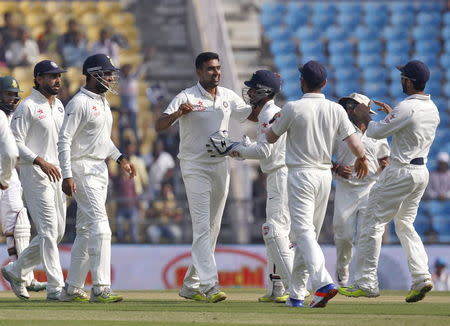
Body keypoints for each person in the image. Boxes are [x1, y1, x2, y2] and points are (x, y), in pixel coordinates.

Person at [265, 60, 369, 308]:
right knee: (307, 235)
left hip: (301, 174)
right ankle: (297, 295)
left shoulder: (293, 107)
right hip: (324, 175)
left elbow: (270, 138)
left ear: (302, 82)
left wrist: (275, 121)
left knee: (303, 233)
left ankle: (323, 283)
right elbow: (354, 142)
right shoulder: (336, 110)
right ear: (324, 83)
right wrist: (362, 158)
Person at [339, 60, 439, 303]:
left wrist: (364, 114)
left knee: (372, 221)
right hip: (420, 171)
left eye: (403, 77)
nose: (400, 80)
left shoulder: (406, 108)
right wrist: (392, 113)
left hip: (401, 171)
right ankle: (421, 276)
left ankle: (366, 282)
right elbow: (406, 124)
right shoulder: (432, 108)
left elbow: (373, 132)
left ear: (409, 81)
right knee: (405, 224)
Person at [155, 52, 251, 303]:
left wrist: (268, 108)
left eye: (218, 68)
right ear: (199, 72)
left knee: (213, 228)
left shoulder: (228, 96)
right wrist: (178, 114)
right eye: (210, 69)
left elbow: (248, 114)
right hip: (194, 166)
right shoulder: (186, 96)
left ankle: (190, 285)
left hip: (220, 165)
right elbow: (159, 125)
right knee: (201, 227)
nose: (216, 73)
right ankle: (210, 285)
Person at [57, 53, 136, 303]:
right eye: (107, 73)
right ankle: (101, 287)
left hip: (99, 168)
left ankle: (71, 288)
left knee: (85, 231)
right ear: (92, 75)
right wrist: (67, 174)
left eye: (112, 73)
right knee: (101, 227)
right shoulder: (79, 103)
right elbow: (64, 140)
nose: (112, 77)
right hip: (81, 167)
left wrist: (120, 157)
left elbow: (102, 140)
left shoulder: (101, 101)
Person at [224, 70, 301, 303]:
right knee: (275, 234)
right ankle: (276, 287)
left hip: (280, 176)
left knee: (273, 231)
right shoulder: (269, 113)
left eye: (252, 89)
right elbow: (264, 148)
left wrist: (235, 149)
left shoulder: (269, 113)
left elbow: (264, 151)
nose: (248, 93)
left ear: (264, 91)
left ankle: (295, 287)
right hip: (277, 175)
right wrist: (244, 146)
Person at [2, 60, 68, 301]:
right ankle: (55, 288)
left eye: (58, 76)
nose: (57, 80)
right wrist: (39, 160)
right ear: (38, 78)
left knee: (57, 233)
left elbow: (64, 141)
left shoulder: (60, 106)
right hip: (35, 174)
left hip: (57, 173)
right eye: (51, 76)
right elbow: (15, 142)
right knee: (49, 231)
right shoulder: (27, 106)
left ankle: (14, 270)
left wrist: (68, 172)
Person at [332, 93, 390, 286]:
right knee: (344, 235)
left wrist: (385, 165)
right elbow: (322, 156)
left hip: (370, 189)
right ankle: (342, 267)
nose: (348, 109)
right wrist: (337, 168)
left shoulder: (377, 132)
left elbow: (385, 159)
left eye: (352, 105)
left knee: (368, 235)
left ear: (363, 109)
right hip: (345, 188)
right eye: (347, 106)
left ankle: (364, 279)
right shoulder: (339, 131)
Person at [0, 76, 47, 293]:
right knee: (17, 224)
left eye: (13, 95)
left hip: (9, 175)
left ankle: (23, 276)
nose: (12, 98)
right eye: (7, 94)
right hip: (4, 175)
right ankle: (22, 276)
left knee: (19, 225)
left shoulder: (12, 117)